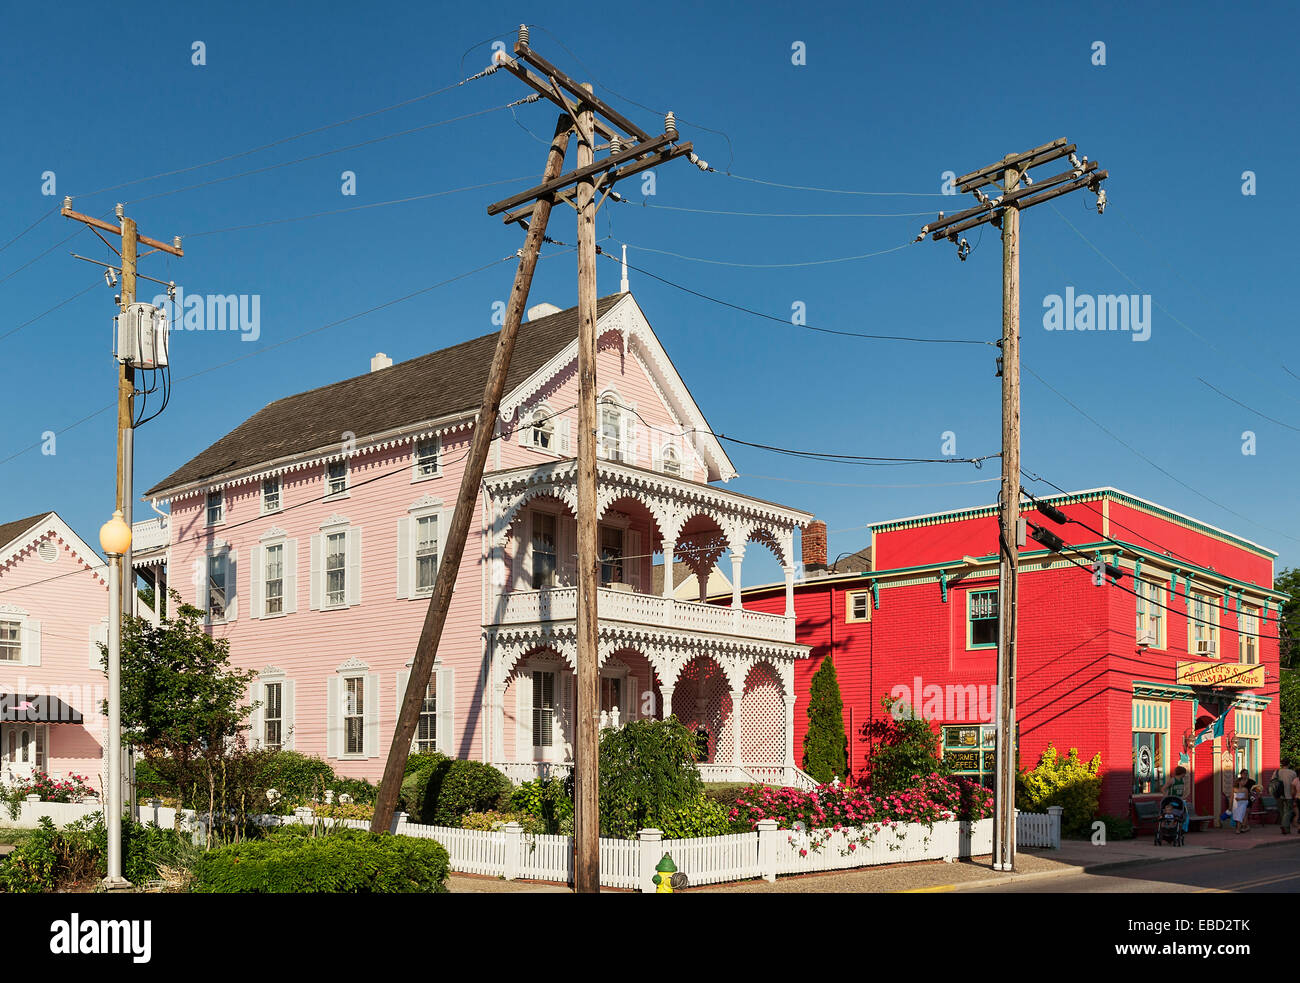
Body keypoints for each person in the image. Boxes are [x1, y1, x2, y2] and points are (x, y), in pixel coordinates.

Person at [1270, 758, 1297, 834]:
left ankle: (1286, 829)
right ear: (1289, 764)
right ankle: (1284, 826)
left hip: (1279, 795)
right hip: (1289, 795)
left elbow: (1272, 782)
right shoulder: (1293, 773)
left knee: (1282, 812)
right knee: (1288, 812)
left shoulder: (1277, 772)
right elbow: (1294, 784)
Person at [1161, 765, 1192, 832]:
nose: (1185, 774)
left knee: (1184, 814)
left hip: (1179, 800)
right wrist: (1166, 796)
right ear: (1182, 773)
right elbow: (1163, 788)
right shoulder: (1172, 780)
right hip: (1172, 800)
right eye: (1184, 773)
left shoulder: (1182, 780)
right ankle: (1170, 826)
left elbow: (1183, 790)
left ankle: (1182, 828)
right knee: (1172, 814)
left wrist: (1183, 797)